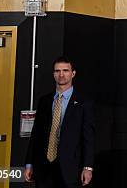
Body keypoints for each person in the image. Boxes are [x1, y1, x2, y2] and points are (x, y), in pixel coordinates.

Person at [24, 56, 95, 187]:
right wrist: (29, 163)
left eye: (65, 70)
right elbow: (36, 135)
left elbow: (88, 137)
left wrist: (88, 167)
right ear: (53, 74)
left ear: (73, 73)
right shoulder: (44, 101)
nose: (61, 74)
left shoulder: (84, 103)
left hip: (70, 169)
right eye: (57, 71)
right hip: (43, 168)